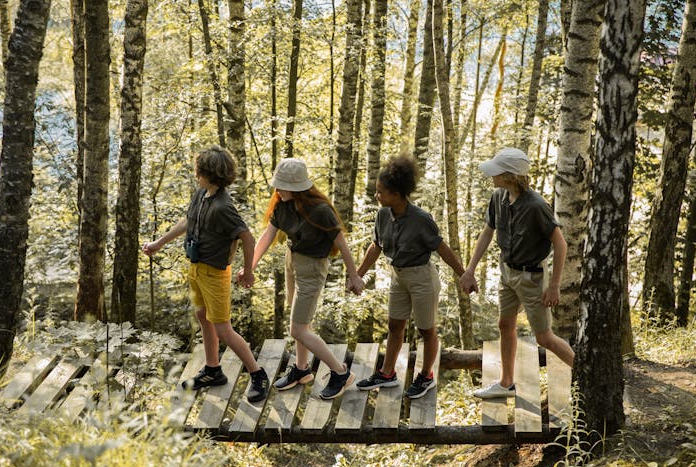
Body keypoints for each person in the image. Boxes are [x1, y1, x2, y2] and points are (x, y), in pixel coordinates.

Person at [142, 145, 269, 403]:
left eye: (198, 171)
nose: (195, 175)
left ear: (210, 174)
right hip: (196, 268)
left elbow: (247, 236)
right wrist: (159, 243)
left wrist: (249, 271)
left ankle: (257, 374)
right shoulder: (201, 194)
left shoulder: (223, 206)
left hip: (215, 273)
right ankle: (213, 370)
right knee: (202, 315)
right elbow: (188, 221)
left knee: (223, 329)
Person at [237, 158, 366, 400]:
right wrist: (249, 267)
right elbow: (268, 235)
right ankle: (302, 368)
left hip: (313, 268)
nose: (277, 189)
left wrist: (354, 275)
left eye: (282, 185)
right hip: (292, 261)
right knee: (299, 322)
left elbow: (341, 243)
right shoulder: (282, 204)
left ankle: (340, 373)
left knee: (297, 329)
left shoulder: (321, 211)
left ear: (297, 188)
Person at [459, 147, 575, 399]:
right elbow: (488, 232)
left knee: (544, 338)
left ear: (510, 175)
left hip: (533, 277)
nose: (492, 177)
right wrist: (470, 269)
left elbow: (560, 244)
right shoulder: (498, 197)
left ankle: (585, 377)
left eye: (496, 172)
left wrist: (554, 285)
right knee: (504, 324)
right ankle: (506, 383)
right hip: (507, 273)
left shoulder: (536, 205)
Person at [354, 155, 467, 399]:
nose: (377, 196)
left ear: (397, 193)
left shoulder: (421, 219)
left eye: (381, 192)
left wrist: (464, 275)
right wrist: (357, 274)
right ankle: (387, 374)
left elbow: (442, 248)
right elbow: (376, 246)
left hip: (422, 278)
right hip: (398, 276)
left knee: (426, 330)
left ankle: (426, 376)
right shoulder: (383, 214)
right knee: (395, 325)